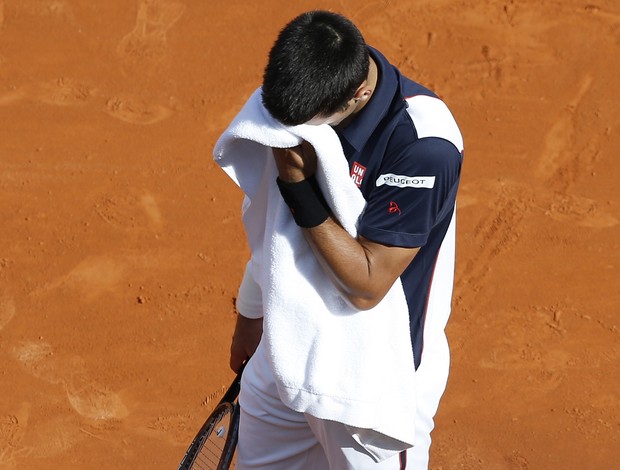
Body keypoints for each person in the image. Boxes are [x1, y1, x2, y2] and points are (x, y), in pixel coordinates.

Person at [226, 10, 463, 469]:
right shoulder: (302, 93)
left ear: (360, 94)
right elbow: (274, 227)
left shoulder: (422, 145)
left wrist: (298, 187)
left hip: (372, 383)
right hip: (288, 356)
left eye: (311, 123)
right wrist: (251, 314)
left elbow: (367, 283)